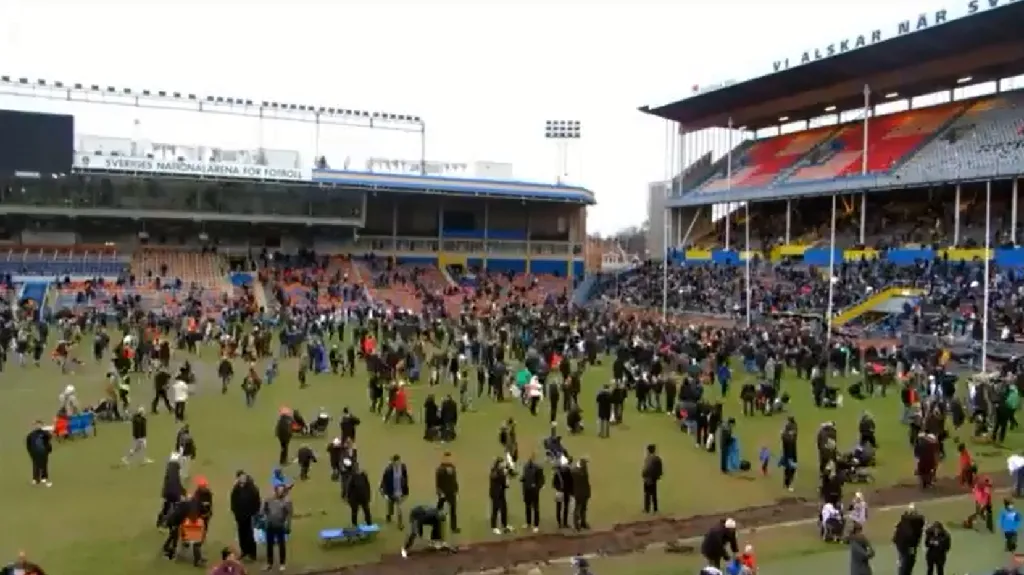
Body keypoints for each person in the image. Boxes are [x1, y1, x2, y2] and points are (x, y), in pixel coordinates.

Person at [229, 471, 261, 562]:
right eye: (240, 477)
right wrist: (234, 511)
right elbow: (233, 501)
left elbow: (257, 502)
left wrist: (254, 513)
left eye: (244, 477)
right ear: (238, 478)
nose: (242, 478)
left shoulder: (252, 488)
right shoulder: (236, 488)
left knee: (249, 535)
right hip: (239, 516)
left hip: (249, 516)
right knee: (241, 534)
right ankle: (244, 551)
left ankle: (252, 553)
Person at [262, 486, 292, 571]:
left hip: (280, 526)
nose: (280, 492)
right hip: (270, 525)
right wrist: (265, 517)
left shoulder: (286, 501)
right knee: (269, 545)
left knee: (281, 545)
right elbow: (264, 509)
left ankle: (282, 563)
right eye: (279, 490)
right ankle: (269, 563)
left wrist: (288, 525)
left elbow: (289, 515)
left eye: (282, 491)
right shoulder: (269, 499)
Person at [892, 504, 925, 575]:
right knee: (907, 564)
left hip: (903, 546)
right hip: (908, 546)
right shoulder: (915, 522)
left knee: (904, 564)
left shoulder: (903, 521)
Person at [380, 454, 409, 529]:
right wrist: (383, 490)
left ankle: (400, 524)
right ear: (393, 462)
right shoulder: (388, 470)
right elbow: (384, 481)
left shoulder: (403, 467)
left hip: (399, 492)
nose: (399, 463)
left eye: (399, 461)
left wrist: (406, 491)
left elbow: (405, 479)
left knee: (399, 508)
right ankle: (389, 515)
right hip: (391, 492)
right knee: (390, 506)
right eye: (397, 461)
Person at [435, 452, 460, 533]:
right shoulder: (440, 469)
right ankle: (436, 526)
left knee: (453, 510)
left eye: (449, 458)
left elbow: (454, 480)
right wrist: (440, 492)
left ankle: (454, 527)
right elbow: (438, 482)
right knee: (439, 509)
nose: (448, 459)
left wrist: (456, 489)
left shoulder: (453, 467)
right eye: (446, 458)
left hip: (451, 492)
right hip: (443, 492)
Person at [520, 453, 545, 533]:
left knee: (535, 508)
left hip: (534, 491)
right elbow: (524, 477)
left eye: (531, 458)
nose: (530, 459)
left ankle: (536, 525)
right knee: (527, 507)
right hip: (526, 490)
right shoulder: (526, 467)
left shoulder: (538, 468)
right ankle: (528, 523)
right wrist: (522, 479)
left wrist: (537, 487)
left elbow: (541, 480)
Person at [25, 420, 52, 487]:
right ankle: (36, 479)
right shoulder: (31, 435)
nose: (38, 426)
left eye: (39, 425)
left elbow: (49, 438)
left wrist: (48, 449)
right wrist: (30, 452)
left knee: (44, 464)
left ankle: (44, 477)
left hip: (43, 451)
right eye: (36, 425)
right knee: (36, 465)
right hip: (35, 452)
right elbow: (28, 444)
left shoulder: (44, 433)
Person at [345, 463, 372, 527]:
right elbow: (349, 488)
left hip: (363, 497)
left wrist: (368, 496)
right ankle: (354, 525)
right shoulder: (352, 477)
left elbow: (367, 486)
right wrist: (348, 498)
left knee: (367, 511)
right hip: (355, 499)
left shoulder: (363, 476)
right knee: (354, 512)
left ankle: (369, 524)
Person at [489, 457, 511, 534]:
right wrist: (503, 473)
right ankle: (494, 527)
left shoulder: (503, 471)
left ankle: (505, 525)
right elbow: (494, 477)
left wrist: (506, 477)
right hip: (495, 494)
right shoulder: (494, 470)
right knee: (495, 510)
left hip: (501, 493)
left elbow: (505, 483)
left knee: (504, 509)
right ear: (498, 463)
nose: (503, 464)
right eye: (502, 463)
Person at [642, 443, 663, 514]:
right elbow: (660, 469)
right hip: (653, 478)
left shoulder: (647, 458)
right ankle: (655, 509)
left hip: (647, 478)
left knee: (647, 494)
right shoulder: (657, 458)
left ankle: (647, 509)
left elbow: (645, 469)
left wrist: (644, 476)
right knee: (654, 494)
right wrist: (658, 476)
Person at [572, 457, 591, 531]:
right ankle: (577, 525)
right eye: (585, 464)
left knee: (583, 509)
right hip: (580, 493)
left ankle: (582, 523)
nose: (586, 466)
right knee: (578, 509)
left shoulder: (575, 471)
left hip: (583, 493)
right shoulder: (581, 472)